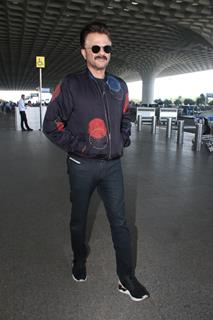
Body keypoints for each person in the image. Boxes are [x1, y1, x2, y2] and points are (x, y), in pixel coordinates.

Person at [43, 21, 149, 302]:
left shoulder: (119, 86)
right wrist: (83, 146)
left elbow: (127, 116)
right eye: (95, 48)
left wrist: (123, 137)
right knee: (79, 219)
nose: (102, 52)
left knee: (121, 223)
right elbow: (51, 126)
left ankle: (126, 278)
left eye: (106, 47)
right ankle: (79, 259)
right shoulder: (70, 85)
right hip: (81, 166)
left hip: (113, 166)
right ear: (84, 52)